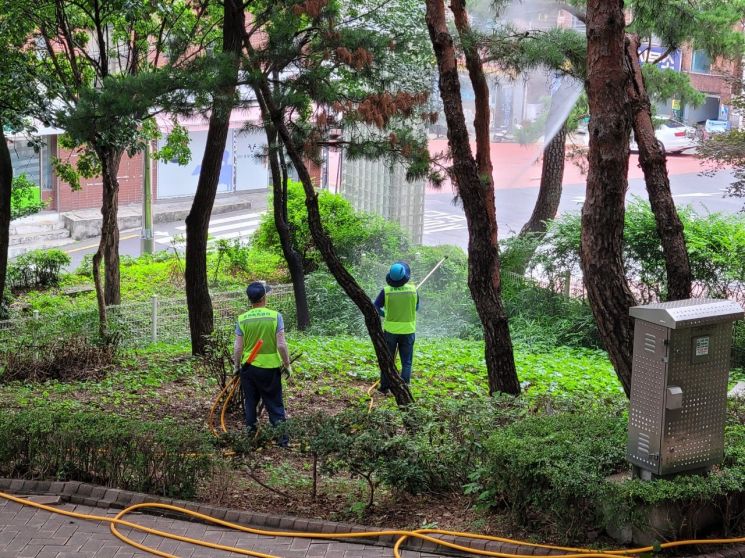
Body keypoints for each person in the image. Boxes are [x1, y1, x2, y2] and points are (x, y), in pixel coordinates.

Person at [233, 281, 292, 446]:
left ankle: (250, 438)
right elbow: (281, 344)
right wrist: (287, 364)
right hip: (269, 369)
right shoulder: (275, 316)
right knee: (274, 403)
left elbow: (238, 347)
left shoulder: (242, 319)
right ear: (264, 297)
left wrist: (237, 366)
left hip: (248, 368)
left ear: (250, 299)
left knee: (250, 403)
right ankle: (282, 440)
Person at [373, 261, 419, 394]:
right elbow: (416, 308)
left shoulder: (385, 291)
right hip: (408, 331)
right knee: (407, 362)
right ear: (406, 277)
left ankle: (384, 387)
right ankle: (403, 388)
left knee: (388, 360)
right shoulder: (413, 290)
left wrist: (385, 314)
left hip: (390, 332)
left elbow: (375, 307)